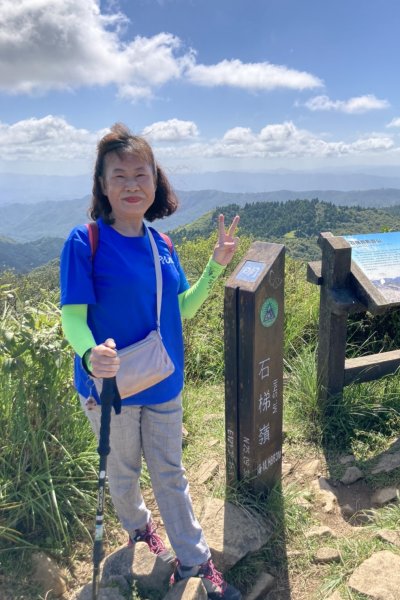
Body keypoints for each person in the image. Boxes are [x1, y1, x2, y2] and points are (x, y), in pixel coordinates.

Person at [60, 123, 242, 599]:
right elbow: (72, 317)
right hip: (111, 387)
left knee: (170, 472)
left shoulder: (162, 245)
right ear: (102, 184)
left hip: (162, 380)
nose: (132, 184)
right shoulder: (86, 242)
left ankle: (194, 559)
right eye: (119, 175)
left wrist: (215, 266)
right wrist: (88, 351)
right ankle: (139, 529)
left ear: (155, 182)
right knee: (121, 473)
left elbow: (180, 308)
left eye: (142, 174)